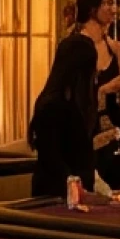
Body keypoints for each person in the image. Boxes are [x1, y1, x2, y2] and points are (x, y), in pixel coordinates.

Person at [73, 0, 120, 188]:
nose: (114, 9)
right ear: (93, 8)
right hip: (86, 129)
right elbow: (71, 94)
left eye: (115, 3)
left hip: (114, 129)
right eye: (108, 3)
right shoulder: (75, 47)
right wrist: (103, 90)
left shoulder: (116, 48)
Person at [29, 35, 99, 198]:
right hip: (55, 193)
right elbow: (51, 157)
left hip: (77, 190)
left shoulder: (77, 102)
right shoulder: (51, 105)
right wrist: (73, 182)